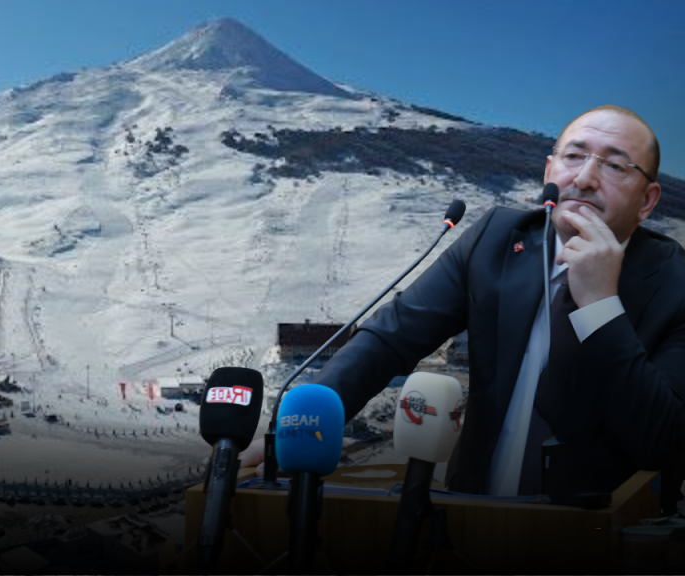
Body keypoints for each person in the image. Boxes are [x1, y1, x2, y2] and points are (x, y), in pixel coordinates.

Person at [242, 105, 685, 496]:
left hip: (599, 539)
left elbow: (662, 439)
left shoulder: (675, 283)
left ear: (647, 201)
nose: (585, 178)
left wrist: (600, 306)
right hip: (470, 520)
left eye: (614, 167)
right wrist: (298, 431)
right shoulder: (496, 239)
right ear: (549, 172)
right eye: (574, 157)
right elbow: (390, 339)